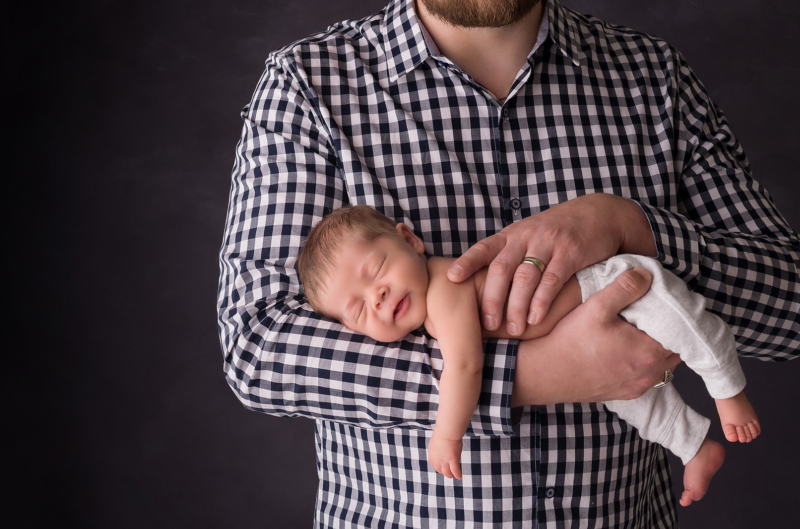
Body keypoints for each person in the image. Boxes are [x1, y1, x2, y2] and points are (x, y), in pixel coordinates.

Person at [216, 0, 800, 526]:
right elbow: (258, 349)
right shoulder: (307, 90)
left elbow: (794, 312)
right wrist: (528, 374)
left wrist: (631, 227)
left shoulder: (655, 82)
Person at [296, 204, 761, 506]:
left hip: (615, 284)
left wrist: (446, 433)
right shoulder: (425, 315)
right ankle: (693, 445)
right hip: (588, 330)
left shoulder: (444, 287)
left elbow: (464, 364)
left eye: (376, 270)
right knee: (630, 397)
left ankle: (727, 391)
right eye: (358, 310)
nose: (376, 297)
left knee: (685, 324)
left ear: (410, 240)